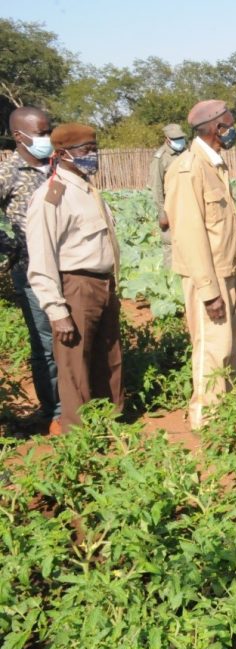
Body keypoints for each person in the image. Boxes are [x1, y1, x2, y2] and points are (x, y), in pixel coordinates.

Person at [25, 123, 123, 433]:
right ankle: (78, 436)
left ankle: (112, 423)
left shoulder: (88, 188)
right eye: (85, 151)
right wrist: (56, 310)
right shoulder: (52, 196)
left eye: (94, 149)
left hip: (103, 284)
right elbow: (41, 257)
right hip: (76, 287)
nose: (92, 156)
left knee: (109, 359)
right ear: (63, 154)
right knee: (75, 367)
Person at [164, 100, 236, 430]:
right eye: (229, 124)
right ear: (216, 129)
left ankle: (226, 409)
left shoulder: (215, 164)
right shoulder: (188, 169)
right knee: (211, 349)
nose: (233, 130)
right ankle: (206, 420)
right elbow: (191, 235)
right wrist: (209, 292)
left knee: (226, 349)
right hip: (208, 279)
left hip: (228, 271)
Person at [0, 106, 61, 434]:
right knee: (45, 343)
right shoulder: (9, 172)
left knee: (71, 338)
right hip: (33, 272)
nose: (48, 138)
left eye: (50, 131)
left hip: (68, 267)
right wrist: (12, 248)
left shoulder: (57, 166)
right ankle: (53, 411)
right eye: (42, 133)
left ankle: (78, 402)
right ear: (19, 136)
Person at [147, 123, 187, 268]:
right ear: (167, 139)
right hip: (171, 207)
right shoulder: (160, 158)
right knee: (171, 244)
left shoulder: (186, 154)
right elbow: (156, 188)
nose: (179, 141)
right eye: (175, 138)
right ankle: (171, 279)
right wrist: (162, 213)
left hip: (188, 205)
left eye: (181, 137)